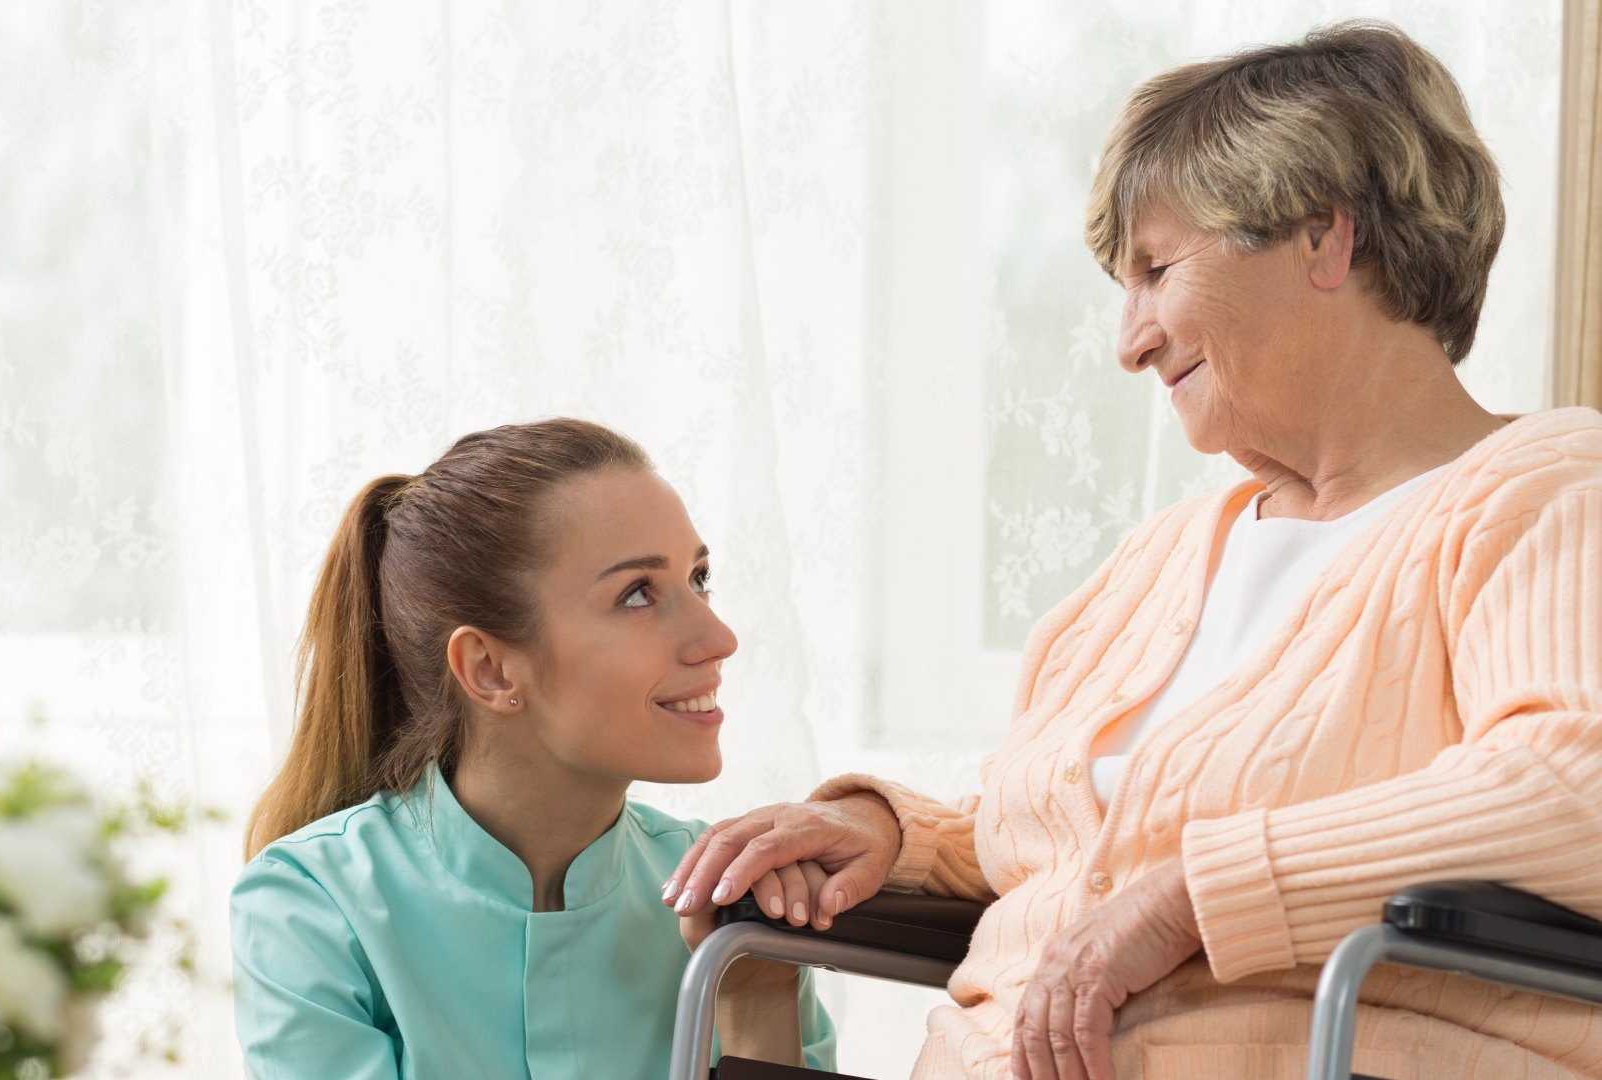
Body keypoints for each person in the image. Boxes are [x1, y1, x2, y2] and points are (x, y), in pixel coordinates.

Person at [663, 21, 1602, 1080]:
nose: (1130, 340)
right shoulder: (1158, 564)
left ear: (1324, 241)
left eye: (1156, 269)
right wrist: (891, 835)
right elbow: (1085, 848)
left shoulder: (1545, 493)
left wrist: (1202, 896)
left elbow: (1578, 787)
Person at [229, 418, 834, 1079]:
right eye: (638, 593)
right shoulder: (311, 907)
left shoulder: (736, 903)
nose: (718, 637)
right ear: (489, 669)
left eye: (699, 577)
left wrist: (756, 1005)